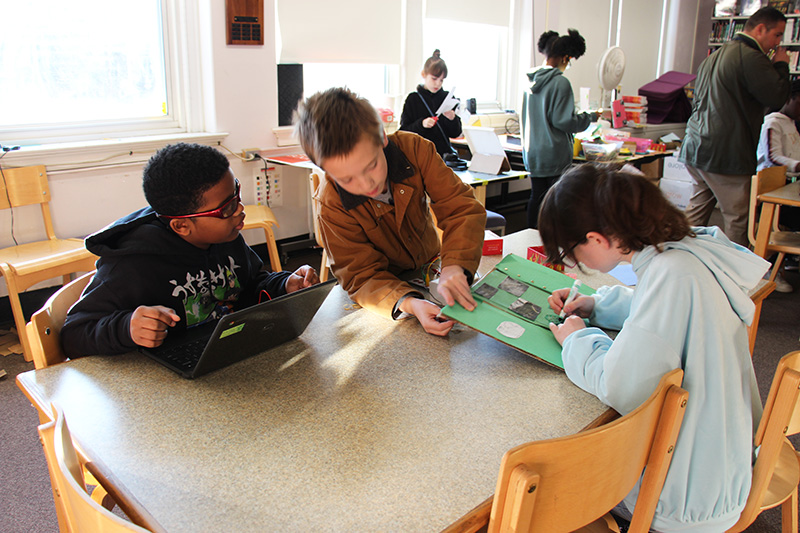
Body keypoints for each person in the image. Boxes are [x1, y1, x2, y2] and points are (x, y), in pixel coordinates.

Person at [540, 165, 769, 532]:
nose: (577, 264)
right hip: (723, 464)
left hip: (681, 497)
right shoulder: (685, 252)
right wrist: (597, 304)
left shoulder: (669, 275)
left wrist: (576, 339)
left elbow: (622, 387)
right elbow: (666, 311)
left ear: (598, 239)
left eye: (573, 254)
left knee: (555, 481)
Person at [61, 143, 319, 357]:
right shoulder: (132, 264)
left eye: (236, 193)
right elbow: (73, 334)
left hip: (220, 355)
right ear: (182, 225)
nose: (240, 209)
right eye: (227, 207)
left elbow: (249, 285)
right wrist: (127, 328)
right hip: (161, 383)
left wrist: (284, 284)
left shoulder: (226, 236)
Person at [295, 87, 486, 336]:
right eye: (347, 179)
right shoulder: (331, 202)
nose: (366, 185)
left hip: (432, 266)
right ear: (328, 171)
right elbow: (360, 276)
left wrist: (455, 265)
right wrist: (408, 302)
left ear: (382, 138)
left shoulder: (416, 149)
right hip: (383, 293)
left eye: (371, 165)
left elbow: (461, 209)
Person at [679, 6, 791, 247]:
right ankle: (733, 279)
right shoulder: (751, 57)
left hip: (697, 146)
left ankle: (675, 261)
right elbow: (776, 98)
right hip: (725, 154)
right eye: (777, 35)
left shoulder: (715, 55)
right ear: (760, 29)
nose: (778, 43)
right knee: (738, 219)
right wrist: (781, 65)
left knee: (695, 215)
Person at [521, 29, 598, 229]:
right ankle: (551, 244)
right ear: (565, 57)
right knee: (555, 201)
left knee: (536, 197)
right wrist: (589, 117)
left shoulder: (529, 81)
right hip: (554, 152)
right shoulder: (560, 83)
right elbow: (564, 121)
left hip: (533, 151)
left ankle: (531, 240)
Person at [400, 49, 462, 161]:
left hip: (443, 158)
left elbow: (456, 133)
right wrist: (421, 124)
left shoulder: (447, 98)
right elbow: (403, 132)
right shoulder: (413, 99)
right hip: (420, 158)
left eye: (441, 80)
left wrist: (452, 119)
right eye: (434, 79)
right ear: (424, 74)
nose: (438, 83)